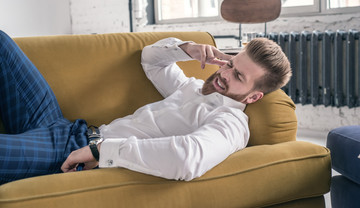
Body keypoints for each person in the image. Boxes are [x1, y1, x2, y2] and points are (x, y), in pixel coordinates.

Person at [0, 30, 291, 184]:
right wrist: (186, 48)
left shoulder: (230, 124)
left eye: (238, 76)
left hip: (71, 152)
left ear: (253, 97)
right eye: (230, 63)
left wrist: (101, 152)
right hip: (66, 127)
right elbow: (151, 60)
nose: (225, 73)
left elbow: (186, 159)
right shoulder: (191, 87)